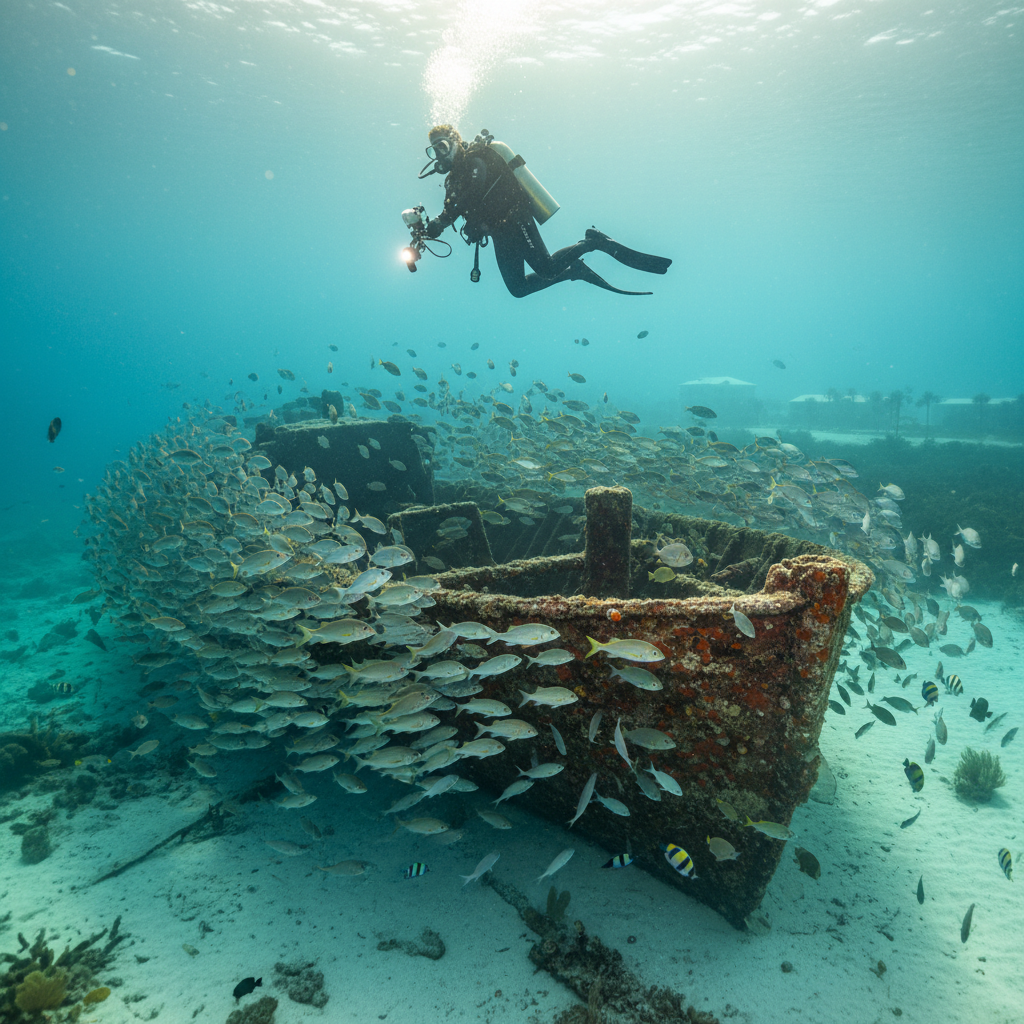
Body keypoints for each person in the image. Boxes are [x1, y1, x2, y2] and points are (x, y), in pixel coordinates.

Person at [419, 125, 672, 298]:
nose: (439, 154)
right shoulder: (453, 181)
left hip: (514, 217)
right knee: (518, 289)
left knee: (547, 269)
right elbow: (453, 207)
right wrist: (428, 228)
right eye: (434, 150)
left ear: (454, 142)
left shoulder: (476, 161)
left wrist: (441, 221)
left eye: (442, 146)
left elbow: (471, 194)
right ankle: (574, 271)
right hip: (499, 232)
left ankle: (592, 242)